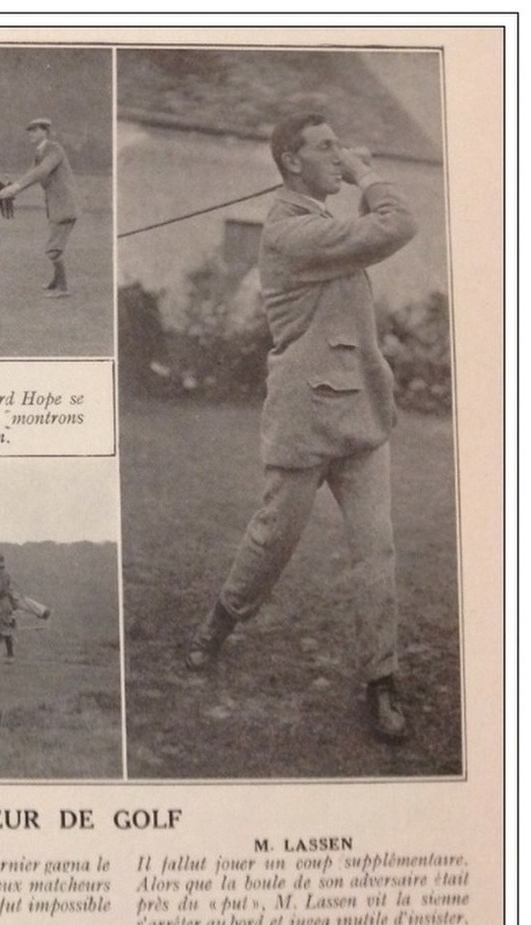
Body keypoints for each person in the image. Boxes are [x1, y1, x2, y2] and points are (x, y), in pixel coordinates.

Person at [183, 112, 418, 745]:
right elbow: (397, 223)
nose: (338, 155)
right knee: (270, 544)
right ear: (292, 161)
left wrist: (352, 168)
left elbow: (376, 230)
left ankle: (382, 680)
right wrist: (368, 173)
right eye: (326, 147)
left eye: (340, 144)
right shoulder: (290, 233)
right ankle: (217, 626)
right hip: (305, 419)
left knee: (378, 552)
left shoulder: (318, 222)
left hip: (362, 417)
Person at [0, 118, 80, 295]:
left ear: (45, 132)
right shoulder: (39, 152)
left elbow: (42, 171)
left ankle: (63, 288)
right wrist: (10, 190)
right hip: (56, 206)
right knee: (55, 246)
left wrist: (15, 187)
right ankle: (56, 282)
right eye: (30, 131)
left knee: (53, 248)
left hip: (65, 206)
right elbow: (31, 174)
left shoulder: (54, 149)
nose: (31, 134)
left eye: (35, 131)